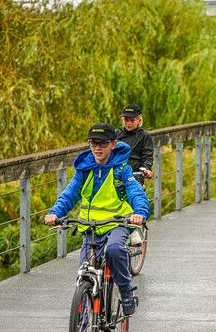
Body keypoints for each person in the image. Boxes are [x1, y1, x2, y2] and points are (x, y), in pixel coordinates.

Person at [44, 123, 150, 316]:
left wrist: (140, 212)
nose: (97, 148)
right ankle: (81, 330)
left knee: (114, 249)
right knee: (84, 275)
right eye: (93, 143)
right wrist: (55, 212)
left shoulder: (122, 170)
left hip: (118, 223)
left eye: (102, 143)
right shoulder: (84, 169)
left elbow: (136, 193)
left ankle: (126, 292)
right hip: (91, 227)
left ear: (113, 144)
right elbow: (70, 194)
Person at [116, 104, 154, 185]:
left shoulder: (144, 136)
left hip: (135, 174)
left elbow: (147, 156)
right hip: (117, 173)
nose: (129, 123)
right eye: (126, 120)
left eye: (132, 120)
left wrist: (147, 169)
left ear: (139, 120)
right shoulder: (116, 134)